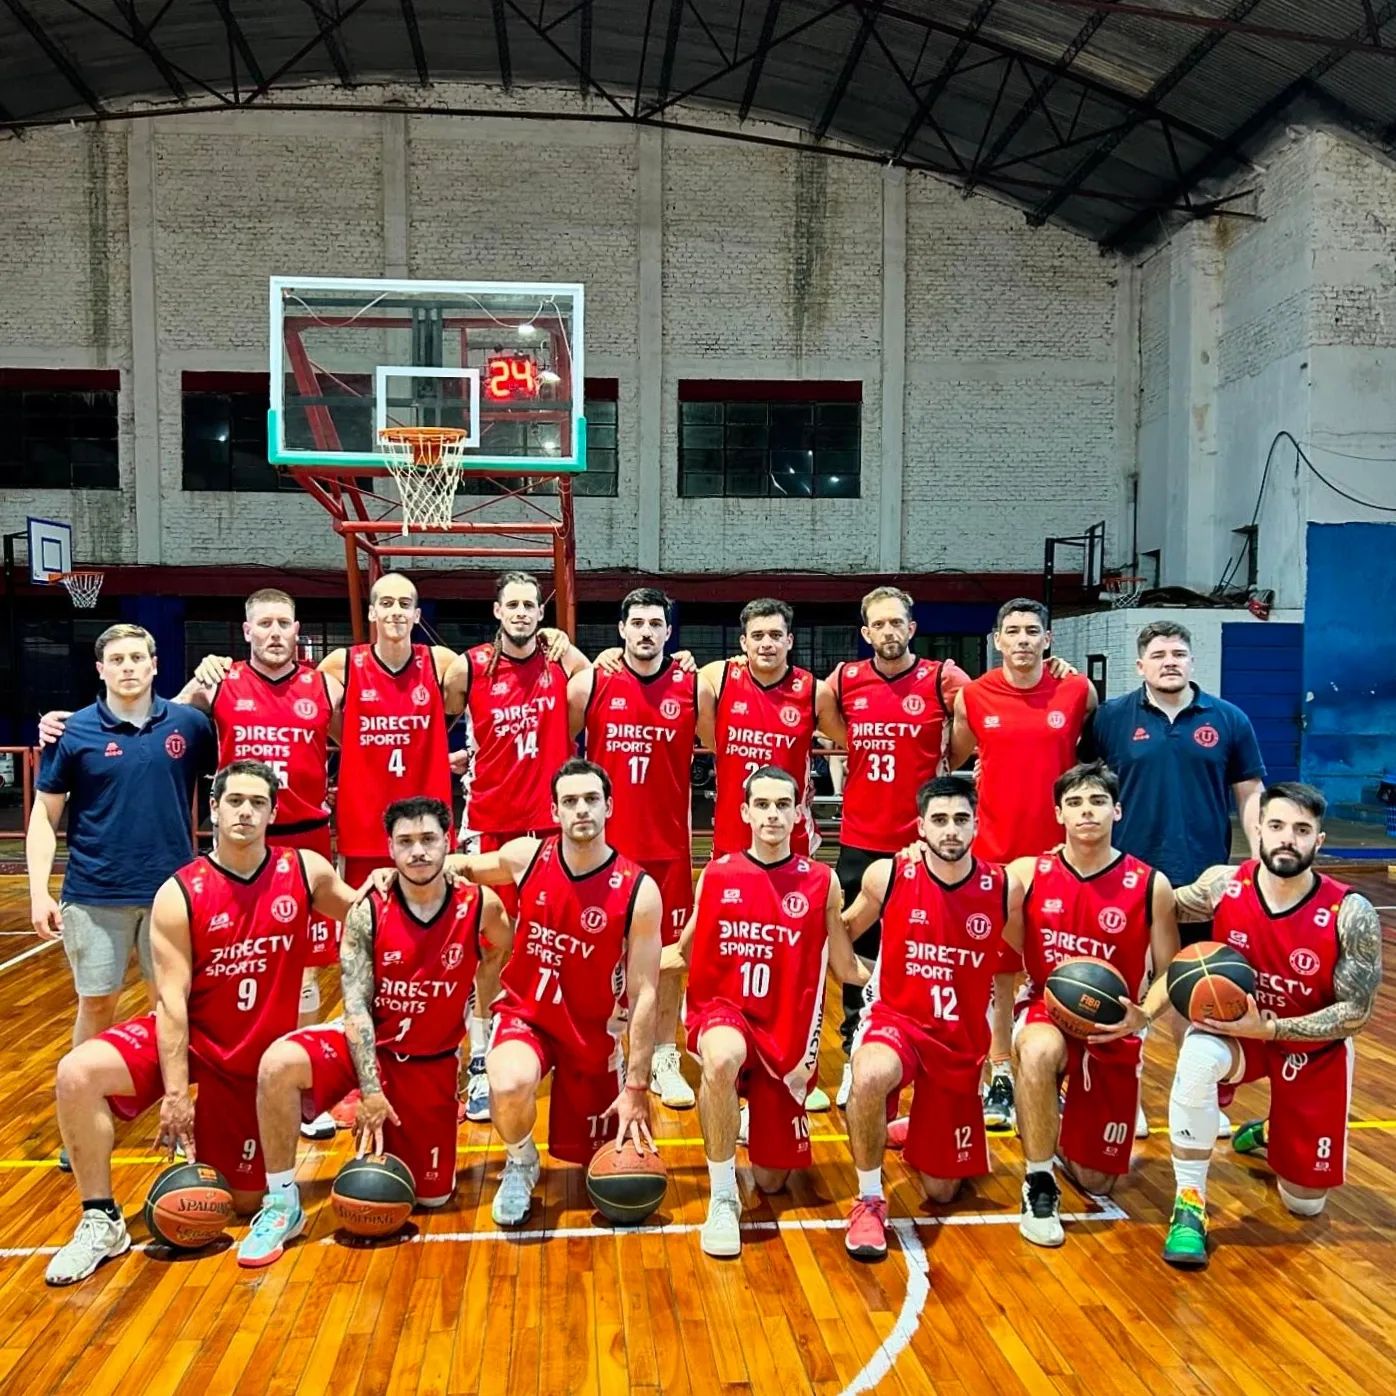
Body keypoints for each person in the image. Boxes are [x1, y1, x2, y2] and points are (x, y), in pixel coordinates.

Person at [43, 760, 362, 1286]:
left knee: (239, 1205)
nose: (245, 812)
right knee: (79, 1072)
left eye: (258, 803)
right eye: (234, 801)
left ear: (273, 812)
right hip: (192, 1041)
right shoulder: (180, 892)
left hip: (257, 1060)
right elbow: (171, 1003)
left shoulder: (306, 871)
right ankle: (100, 1219)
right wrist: (174, 1096)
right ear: (212, 809)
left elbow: (366, 916)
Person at [238, 796, 511, 1266]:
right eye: (405, 842)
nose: (418, 852)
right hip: (365, 1047)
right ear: (389, 848)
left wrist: (476, 1021)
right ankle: (282, 1202)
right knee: (278, 1062)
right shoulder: (369, 908)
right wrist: (370, 1090)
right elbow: (357, 1006)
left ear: (448, 842)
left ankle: (394, 1127)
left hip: (429, 1061)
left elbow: (499, 954)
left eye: (428, 839)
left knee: (432, 1198)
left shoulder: (480, 905)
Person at [1157, 782, 1382, 1268]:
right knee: (1196, 1061)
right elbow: (1159, 903)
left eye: (1302, 830)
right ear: (1256, 830)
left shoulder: (1351, 913)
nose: (1287, 838)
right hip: (1238, 1033)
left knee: (1304, 1203)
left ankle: (1271, 1132)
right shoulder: (1223, 884)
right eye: (1277, 826)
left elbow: (1355, 1014)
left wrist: (1275, 1031)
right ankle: (1190, 1205)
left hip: (1312, 1046)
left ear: (1319, 841)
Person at [444, 758, 663, 1228]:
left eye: (590, 800)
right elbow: (462, 866)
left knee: (606, 1177)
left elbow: (645, 993)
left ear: (609, 807)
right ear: (555, 810)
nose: (581, 809)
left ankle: (599, 1104)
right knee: (508, 1081)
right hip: (529, 1016)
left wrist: (638, 1086)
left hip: (593, 1034)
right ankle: (520, 1161)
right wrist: (402, 871)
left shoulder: (638, 890)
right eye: (570, 801)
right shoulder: (528, 856)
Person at [665, 767, 867, 1258]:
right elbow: (683, 952)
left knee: (775, 1181)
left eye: (783, 805)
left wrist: (907, 978)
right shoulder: (716, 875)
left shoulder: (822, 881)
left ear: (799, 813)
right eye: (764, 805)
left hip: (786, 1036)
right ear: (745, 812)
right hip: (725, 1013)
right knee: (719, 1057)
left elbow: (845, 965)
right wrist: (624, 962)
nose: (773, 815)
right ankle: (723, 1197)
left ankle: (756, 1115)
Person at [840, 775, 1024, 1261]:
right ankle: (869, 1198)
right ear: (920, 826)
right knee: (869, 1074)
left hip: (959, 1040)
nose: (951, 831)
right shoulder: (890, 874)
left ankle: (912, 1127)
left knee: (943, 1191)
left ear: (976, 824)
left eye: (961, 820)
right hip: (897, 1023)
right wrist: (855, 969)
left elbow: (1031, 954)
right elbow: (843, 931)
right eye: (939, 820)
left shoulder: (1003, 886)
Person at [1007, 761, 1178, 1247]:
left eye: (1098, 802)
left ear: (1117, 811)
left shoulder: (1150, 885)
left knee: (1096, 1180)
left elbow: (1170, 968)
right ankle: (1039, 1180)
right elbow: (965, 885)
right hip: (1046, 1006)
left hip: (1114, 1023)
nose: (1087, 812)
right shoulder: (1027, 873)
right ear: (1058, 814)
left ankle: (1054, 1122)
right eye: (1076, 803)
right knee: (1037, 1051)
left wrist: (1143, 1014)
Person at [27, 624, 216, 1066]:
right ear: (100, 670)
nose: (127, 667)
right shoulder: (71, 731)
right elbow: (44, 814)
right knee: (96, 1004)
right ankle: (81, 1111)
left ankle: (174, 1113)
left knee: (171, 1004)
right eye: (116, 660)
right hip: (94, 895)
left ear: (154, 665)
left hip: (170, 895)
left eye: (136, 658)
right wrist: (39, 893)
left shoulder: (189, 725)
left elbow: (227, 780)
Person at [445, 571, 589, 1119]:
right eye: (515, 604)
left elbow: (597, 684)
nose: (524, 612)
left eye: (532, 605)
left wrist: (569, 644)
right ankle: (481, 1056)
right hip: (489, 822)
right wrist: (450, 764)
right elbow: (428, 719)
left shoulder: (564, 664)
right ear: (498, 610)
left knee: (552, 940)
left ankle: (554, 1042)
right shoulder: (471, 666)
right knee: (492, 944)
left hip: (549, 830)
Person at [952, 598, 1096, 1131]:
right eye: (1011, 631)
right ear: (996, 639)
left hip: (1060, 858)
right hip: (994, 854)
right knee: (1001, 972)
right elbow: (957, 754)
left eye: (1032, 631)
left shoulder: (1077, 690)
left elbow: (1093, 757)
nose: (1021, 640)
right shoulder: (975, 694)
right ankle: (1001, 1070)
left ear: (1048, 639)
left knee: (1054, 968)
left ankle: (1052, 1072)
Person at [825, 586, 970, 1108]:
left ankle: (935, 1059)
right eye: (878, 625)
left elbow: (971, 722)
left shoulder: (940, 678)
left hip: (921, 848)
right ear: (866, 633)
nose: (888, 632)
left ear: (912, 627)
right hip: (860, 842)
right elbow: (826, 721)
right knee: (854, 951)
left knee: (928, 954)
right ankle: (855, 1051)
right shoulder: (844, 680)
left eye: (897, 623)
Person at [570, 587, 699, 1110]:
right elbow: (553, 744)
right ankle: (600, 1050)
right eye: (637, 622)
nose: (646, 631)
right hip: (604, 852)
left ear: (669, 633)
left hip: (668, 847)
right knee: (597, 953)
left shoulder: (693, 684)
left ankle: (664, 1055)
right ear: (621, 629)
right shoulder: (594, 681)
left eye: (656, 624)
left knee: (668, 962)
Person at [1085, 619, 1265, 930]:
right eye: (1158, 656)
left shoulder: (1229, 718)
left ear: (1192, 663)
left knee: (1196, 972)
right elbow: (1076, 780)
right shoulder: (1110, 717)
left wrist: (1259, 852)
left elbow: (1249, 790)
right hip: (1127, 869)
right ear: (1141, 666)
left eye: (1178, 654)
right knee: (1131, 974)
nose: (1170, 662)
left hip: (1202, 869)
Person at [697, 598, 842, 861]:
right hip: (732, 828)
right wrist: (611, 655)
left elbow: (858, 739)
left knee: (793, 901)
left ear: (789, 641)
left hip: (790, 829)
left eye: (776, 635)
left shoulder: (815, 692)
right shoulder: (716, 676)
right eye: (758, 635)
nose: (766, 643)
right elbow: (667, 678)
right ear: (744, 643)